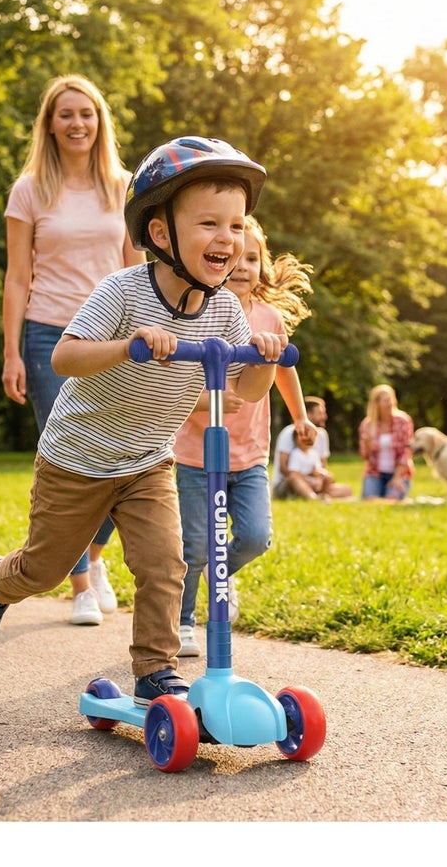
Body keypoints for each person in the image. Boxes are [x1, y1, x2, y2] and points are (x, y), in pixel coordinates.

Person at [0, 135, 285, 709]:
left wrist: (260, 358)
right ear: (161, 235)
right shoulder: (123, 290)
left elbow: (241, 395)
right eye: (209, 223)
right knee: (45, 569)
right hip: (76, 457)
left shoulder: (227, 310)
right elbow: (65, 357)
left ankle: (156, 671)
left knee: (166, 564)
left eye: (237, 227)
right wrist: (126, 345)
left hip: (147, 461)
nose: (227, 240)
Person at [2, 74, 145, 625]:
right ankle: (81, 586)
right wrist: (12, 352)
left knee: (120, 451)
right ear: (50, 123)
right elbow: (17, 277)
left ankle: (95, 555)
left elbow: (138, 271)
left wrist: (144, 341)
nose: (77, 123)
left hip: (113, 339)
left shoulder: (123, 186)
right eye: (65, 114)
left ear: (99, 120)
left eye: (86, 113)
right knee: (66, 457)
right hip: (47, 335)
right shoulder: (30, 189)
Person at [172, 215, 315, 657]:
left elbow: (285, 370)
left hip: (249, 454)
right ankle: (181, 621)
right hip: (196, 452)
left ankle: (223, 575)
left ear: (262, 266)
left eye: (253, 257)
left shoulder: (269, 317)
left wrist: (301, 417)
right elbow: (173, 376)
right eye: (236, 257)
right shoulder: (196, 311)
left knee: (255, 537)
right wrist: (204, 400)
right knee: (194, 546)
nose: (244, 266)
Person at [272, 396, 353, 501]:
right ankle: (314, 498)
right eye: (320, 413)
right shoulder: (289, 433)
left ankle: (319, 495)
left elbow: (323, 465)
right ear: (308, 414)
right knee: (294, 479)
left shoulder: (322, 435)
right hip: (289, 484)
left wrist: (320, 479)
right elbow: (283, 468)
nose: (324, 417)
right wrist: (306, 479)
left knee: (347, 490)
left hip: (313, 482)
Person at [358, 384, 414, 500]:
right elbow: (364, 455)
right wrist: (367, 445)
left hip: (399, 473)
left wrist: (397, 477)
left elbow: (407, 451)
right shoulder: (367, 425)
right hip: (375, 473)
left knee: (391, 499)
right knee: (370, 500)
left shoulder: (403, 421)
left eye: (391, 399)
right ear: (376, 404)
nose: (390, 403)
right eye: (386, 401)